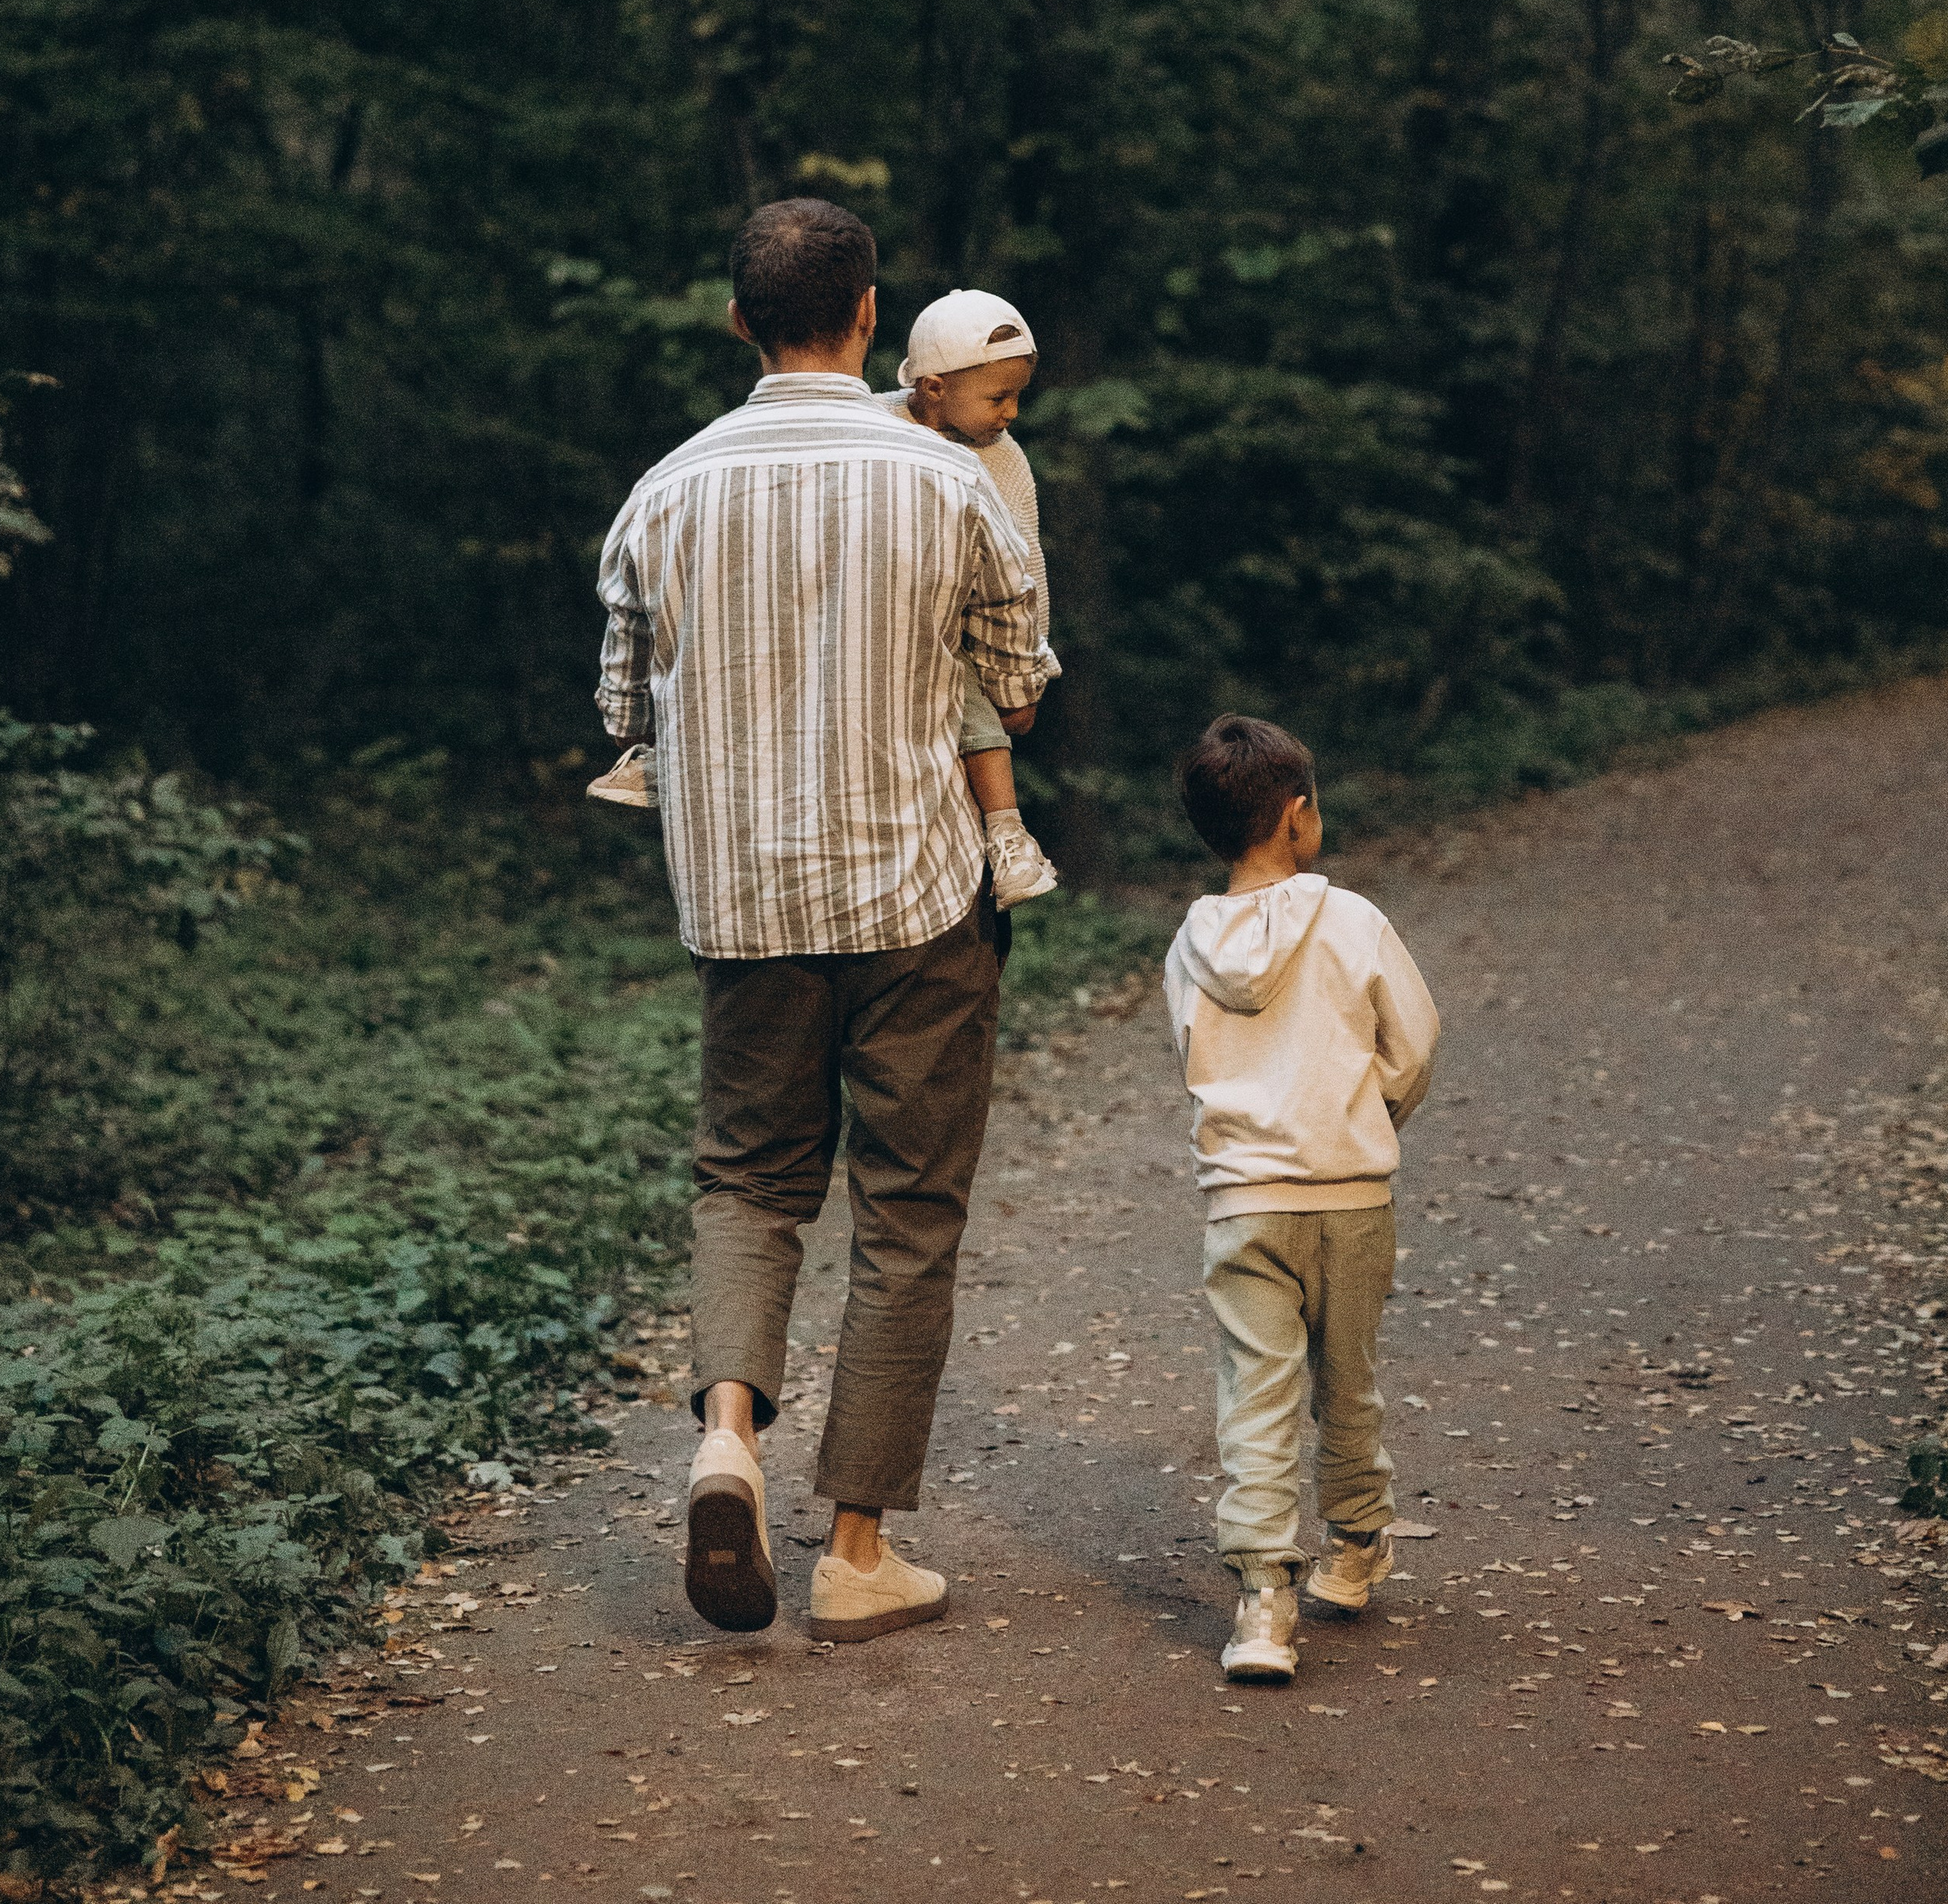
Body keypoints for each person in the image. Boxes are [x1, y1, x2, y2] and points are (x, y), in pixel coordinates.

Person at [593, 198, 1052, 1644]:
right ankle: (857, 1552)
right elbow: (1020, 674)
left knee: (749, 1180)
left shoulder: (663, 492)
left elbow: (621, 711)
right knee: (907, 1213)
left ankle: (729, 1432)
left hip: (744, 909)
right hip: (919, 895)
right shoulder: (943, 480)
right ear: (867, 318)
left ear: (739, 321)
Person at [1164, 713, 1440, 1685]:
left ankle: (1262, 1605)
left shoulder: (1189, 947)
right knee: (1347, 1379)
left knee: (1257, 1396)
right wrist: (1364, 1122)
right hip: (1352, 1195)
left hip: (1245, 1202)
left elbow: (1191, 1060)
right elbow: (1413, 1041)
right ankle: (1356, 1548)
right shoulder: (1353, 920)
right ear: (1296, 815)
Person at [891, 288, 1059, 909]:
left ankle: (1007, 836)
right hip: (898, 620)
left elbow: (1026, 564)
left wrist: (1029, 672)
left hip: (972, 638)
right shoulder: (878, 426)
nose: (1011, 412)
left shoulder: (1004, 456)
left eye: (1017, 395)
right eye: (998, 397)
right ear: (933, 388)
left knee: (979, 710)